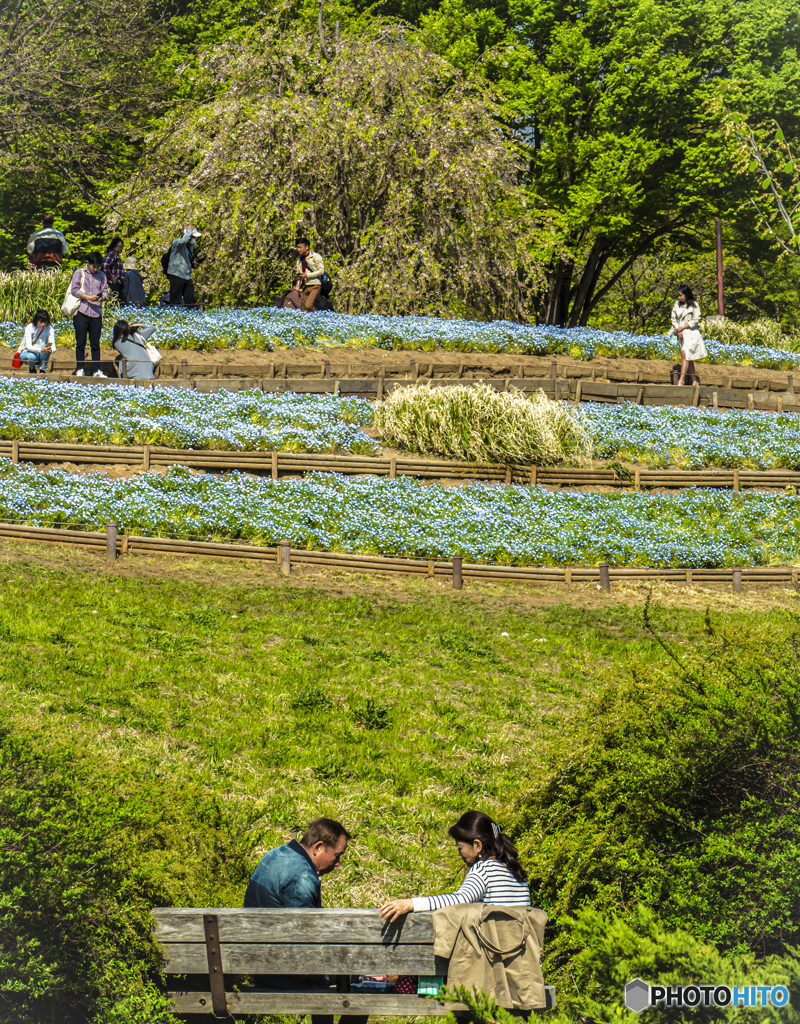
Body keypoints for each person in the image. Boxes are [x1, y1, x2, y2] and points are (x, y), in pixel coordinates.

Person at [244, 818, 367, 1024]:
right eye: (337, 856)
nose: (337, 863)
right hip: (280, 971)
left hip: (256, 959)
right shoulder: (302, 876)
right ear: (318, 847)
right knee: (362, 985)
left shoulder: (275, 854)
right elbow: (303, 940)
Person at [379, 810, 530, 923]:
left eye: (460, 847)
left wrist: (411, 904)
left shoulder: (484, 870)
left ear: (477, 845)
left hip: (496, 960)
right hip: (522, 961)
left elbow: (459, 900)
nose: (460, 853)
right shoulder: (515, 870)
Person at [70, 252, 108, 377]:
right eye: (94, 266)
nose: (96, 269)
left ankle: (96, 370)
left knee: (95, 343)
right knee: (80, 343)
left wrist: (102, 297)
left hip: (96, 312)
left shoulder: (102, 275)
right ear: (88, 263)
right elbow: (74, 290)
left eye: (98, 266)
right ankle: (80, 368)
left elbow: (105, 290)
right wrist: (87, 297)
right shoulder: (80, 273)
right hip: (82, 310)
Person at [671, 284, 707, 387]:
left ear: (686, 295)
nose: (679, 297)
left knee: (685, 356)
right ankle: (694, 380)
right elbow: (673, 318)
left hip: (691, 334)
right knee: (688, 357)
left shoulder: (694, 305)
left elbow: (696, 320)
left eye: (681, 295)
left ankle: (681, 380)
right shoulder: (676, 304)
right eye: (678, 295)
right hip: (680, 333)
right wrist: (678, 329)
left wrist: (683, 328)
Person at [166, 225, 201, 307]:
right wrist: (189, 229)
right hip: (176, 274)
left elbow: (185, 258)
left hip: (186, 275)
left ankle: (191, 315)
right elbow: (184, 240)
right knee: (175, 301)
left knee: (191, 300)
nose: (194, 239)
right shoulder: (177, 243)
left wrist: (193, 263)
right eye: (193, 237)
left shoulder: (190, 246)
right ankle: (175, 316)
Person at [294, 238, 324, 312]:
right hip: (305, 285)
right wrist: (298, 279)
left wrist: (307, 275)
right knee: (306, 309)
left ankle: (320, 319)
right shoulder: (299, 259)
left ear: (306, 247)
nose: (298, 249)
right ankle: (312, 322)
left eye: (300, 247)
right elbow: (300, 272)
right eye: (297, 247)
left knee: (309, 305)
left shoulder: (315, 256)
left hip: (315, 284)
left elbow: (321, 271)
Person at [102, 238, 125, 304]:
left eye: (122, 246)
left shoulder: (116, 256)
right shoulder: (111, 254)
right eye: (119, 246)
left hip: (118, 284)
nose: (121, 248)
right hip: (113, 284)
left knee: (122, 303)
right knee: (119, 303)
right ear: (114, 246)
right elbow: (105, 266)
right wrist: (111, 277)